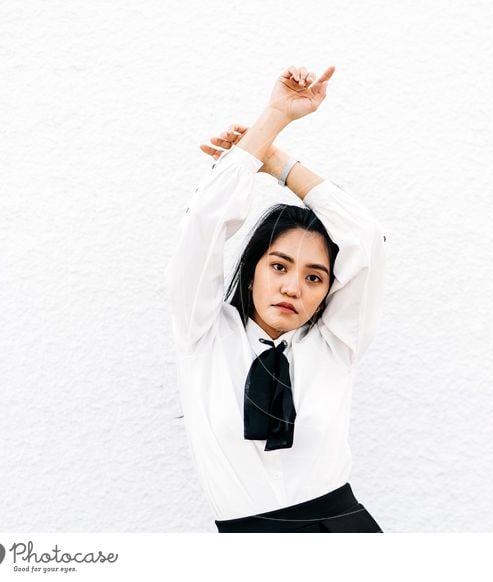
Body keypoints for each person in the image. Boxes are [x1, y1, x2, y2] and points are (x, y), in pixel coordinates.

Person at [164, 65, 387, 532]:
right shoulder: (202, 334)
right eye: (279, 266)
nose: (292, 287)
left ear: (328, 291)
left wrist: (276, 160)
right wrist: (273, 119)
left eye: (314, 277)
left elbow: (364, 237)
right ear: (251, 273)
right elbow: (204, 223)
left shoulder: (335, 345)